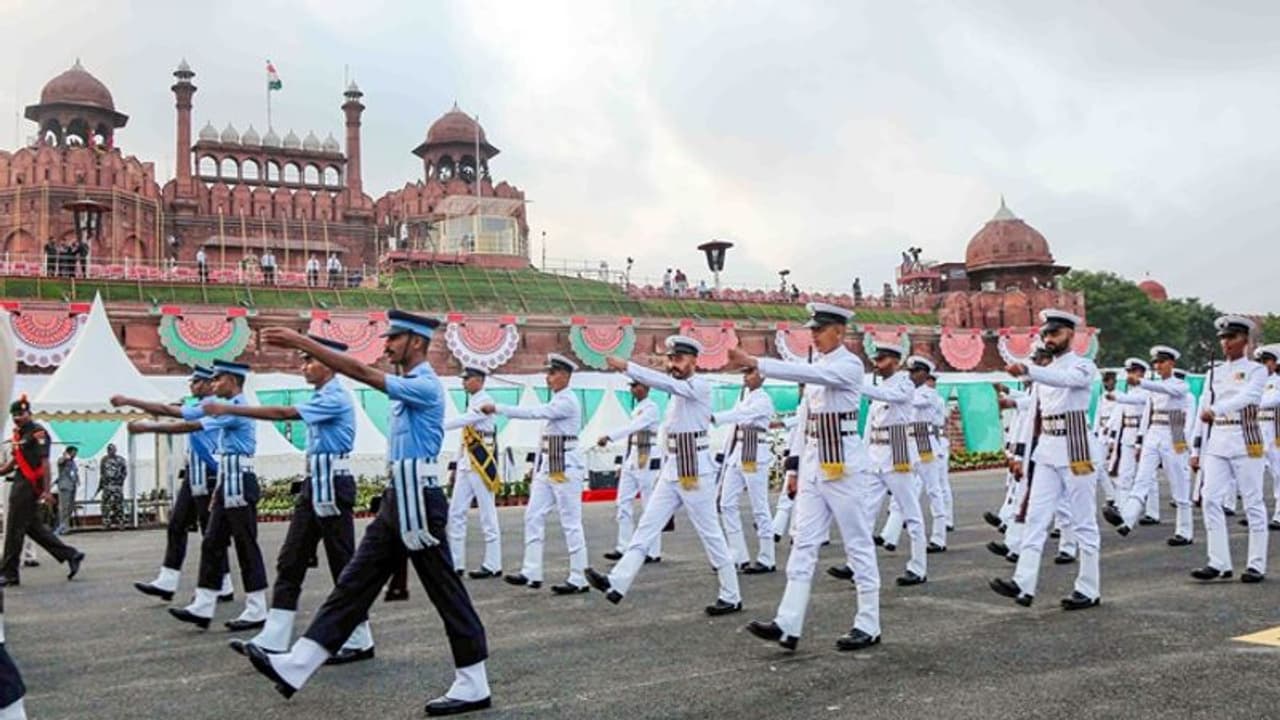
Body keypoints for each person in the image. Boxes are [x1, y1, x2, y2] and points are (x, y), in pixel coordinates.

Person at [244, 313, 491, 717]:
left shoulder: (425, 384)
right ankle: (297, 663)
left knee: (445, 591)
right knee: (354, 583)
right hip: (401, 499)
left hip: (419, 502)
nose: (386, 344)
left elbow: (363, 374)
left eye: (393, 338)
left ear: (415, 341)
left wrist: (304, 343)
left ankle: (473, 680)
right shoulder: (413, 384)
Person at [203, 337, 375, 664]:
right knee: (291, 559)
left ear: (329, 362)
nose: (303, 366)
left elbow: (285, 412)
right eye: (302, 360)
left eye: (309, 360)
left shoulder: (336, 396)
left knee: (343, 564)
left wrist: (229, 407)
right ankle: (274, 635)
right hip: (315, 484)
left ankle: (359, 637)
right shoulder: (322, 395)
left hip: (333, 485)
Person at [731, 303, 882, 652]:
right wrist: (795, 468)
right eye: (812, 329)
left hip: (844, 466)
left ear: (840, 332)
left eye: (820, 328)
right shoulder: (820, 367)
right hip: (816, 465)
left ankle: (868, 623)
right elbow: (805, 424)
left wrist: (757, 362)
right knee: (803, 545)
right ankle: (788, 623)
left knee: (857, 544)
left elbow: (814, 377)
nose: (813, 334)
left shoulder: (848, 365)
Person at [586, 337, 743, 617]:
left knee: (710, 534)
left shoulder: (698, 387)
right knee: (647, 526)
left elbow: (670, 384)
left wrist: (628, 367)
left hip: (695, 472)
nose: (674, 365)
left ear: (695, 361)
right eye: (671, 360)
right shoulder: (675, 399)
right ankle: (617, 582)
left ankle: (731, 595)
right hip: (672, 471)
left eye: (680, 359)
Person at [127, 360, 268, 631]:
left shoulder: (236, 408)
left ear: (233, 381)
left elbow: (190, 427)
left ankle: (257, 607)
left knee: (245, 545)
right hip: (228, 481)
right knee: (212, 542)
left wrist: (148, 428)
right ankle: (203, 605)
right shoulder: (227, 406)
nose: (214, 384)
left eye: (218, 379)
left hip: (239, 481)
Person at [990, 309, 1101, 611]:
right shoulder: (1042, 374)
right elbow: (1032, 420)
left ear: (1071, 335)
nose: (1049, 339)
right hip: (1048, 448)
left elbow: (1065, 380)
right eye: (1046, 334)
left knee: (1083, 521)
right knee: (1036, 518)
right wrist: (1020, 456)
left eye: (1055, 333)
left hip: (1076, 447)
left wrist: (1028, 370)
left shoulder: (1083, 366)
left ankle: (1089, 588)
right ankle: (1023, 584)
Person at [120, 367, 233, 603]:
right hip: (194, 473)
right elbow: (168, 410)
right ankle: (168, 580)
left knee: (210, 533)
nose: (191, 386)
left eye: (195, 382)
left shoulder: (212, 406)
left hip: (209, 473)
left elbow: (176, 419)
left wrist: (141, 417)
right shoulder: (201, 405)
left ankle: (223, 582)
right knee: (177, 525)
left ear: (206, 383)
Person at [486, 354, 589, 594]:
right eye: (548, 373)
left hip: (565, 467)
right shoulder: (556, 400)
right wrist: (537, 467)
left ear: (565, 375)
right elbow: (543, 438)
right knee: (533, 516)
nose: (548, 378)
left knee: (571, 522)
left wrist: (499, 408)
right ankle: (531, 571)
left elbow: (535, 413)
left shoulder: (567, 401)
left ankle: (579, 577)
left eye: (552, 373)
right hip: (548, 465)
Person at [1188, 316, 1268, 584]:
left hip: (1245, 438)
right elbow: (1202, 410)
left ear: (1244, 340)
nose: (1226, 343)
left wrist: (1217, 409)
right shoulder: (1214, 372)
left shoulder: (1256, 370)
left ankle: (1256, 564)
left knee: (1253, 501)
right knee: (1210, 499)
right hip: (1218, 439)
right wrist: (1196, 448)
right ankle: (1218, 562)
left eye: (1231, 337)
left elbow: (1250, 397)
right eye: (1222, 338)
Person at [1103, 346, 1192, 543]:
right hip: (1154, 431)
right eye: (1156, 363)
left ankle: (1185, 531)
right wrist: (1140, 441)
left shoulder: (1179, 385)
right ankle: (1127, 520)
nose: (1158, 366)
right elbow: (1147, 416)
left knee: (1178, 482)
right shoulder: (1152, 388)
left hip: (1174, 430)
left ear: (1172, 363)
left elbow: (1166, 389)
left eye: (1162, 362)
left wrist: (1142, 382)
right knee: (1142, 479)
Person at [860, 345, 929, 587]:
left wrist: (854, 385)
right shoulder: (878, 388)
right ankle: (857, 565)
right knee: (865, 512)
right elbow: (870, 427)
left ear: (896, 361)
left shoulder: (905, 384)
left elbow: (891, 397)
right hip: (876, 455)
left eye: (882, 359)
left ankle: (918, 567)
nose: (876, 363)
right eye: (875, 359)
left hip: (898, 453)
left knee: (910, 513)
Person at [0, 395, 85, 587]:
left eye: (21, 414)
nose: (17, 418)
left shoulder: (38, 433)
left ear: (29, 413)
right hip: (21, 481)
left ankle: (9, 573)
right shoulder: (20, 434)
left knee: (14, 527)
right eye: (14, 415)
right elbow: (16, 460)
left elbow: (45, 463)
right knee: (32, 527)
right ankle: (71, 555)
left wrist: (46, 491)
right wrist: (2, 470)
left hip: (28, 485)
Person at [711, 366, 777, 573]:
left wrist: (717, 417)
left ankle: (767, 557)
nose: (745, 377)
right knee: (726, 503)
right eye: (744, 374)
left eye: (750, 373)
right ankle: (737, 553)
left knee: (760, 507)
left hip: (755, 454)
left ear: (762, 376)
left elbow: (743, 414)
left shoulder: (762, 399)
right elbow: (735, 428)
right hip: (738, 454)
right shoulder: (744, 397)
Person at [444, 367, 504, 579]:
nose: (464, 382)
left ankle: (493, 563)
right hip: (467, 463)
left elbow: (465, 420)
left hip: (482, 461)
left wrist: (438, 426)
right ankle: (456, 563)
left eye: (467, 379)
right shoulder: (472, 401)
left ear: (479, 380)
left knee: (487, 513)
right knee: (456, 512)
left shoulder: (483, 400)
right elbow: (464, 436)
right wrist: (455, 464)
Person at [600, 380, 662, 563]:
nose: (633, 390)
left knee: (649, 505)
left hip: (647, 455)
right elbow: (630, 438)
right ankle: (623, 546)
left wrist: (609, 436)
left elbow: (633, 428)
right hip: (633, 457)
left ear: (647, 387)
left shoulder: (651, 408)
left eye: (637, 386)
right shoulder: (637, 409)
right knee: (622, 502)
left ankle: (652, 550)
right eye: (632, 386)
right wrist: (623, 462)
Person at [1103, 359, 1150, 521]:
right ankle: (1123, 511)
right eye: (1129, 372)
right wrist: (1112, 437)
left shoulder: (1146, 392)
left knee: (1146, 477)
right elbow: (1119, 417)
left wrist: (1116, 396)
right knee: (1125, 475)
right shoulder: (1128, 393)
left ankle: (1152, 512)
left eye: (1133, 372)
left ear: (1142, 373)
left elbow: (1134, 401)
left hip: (1142, 437)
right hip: (1127, 436)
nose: (1130, 375)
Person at [1254, 345, 1280, 529]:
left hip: (1274, 429)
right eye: (1260, 362)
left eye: (1266, 361)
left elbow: (1273, 400)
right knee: (1253, 472)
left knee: (1278, 473)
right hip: (1256, 429)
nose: (1263, 365)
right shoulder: (1253, 382)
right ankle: (1255, 512)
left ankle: (1279, 514)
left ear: (1274, 363)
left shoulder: (1278, 382)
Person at [1093, 371, 1120, 507]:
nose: (1105, 383)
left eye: (1108, 380)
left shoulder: (1120, 396)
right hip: (1102, 434)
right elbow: (1098, 414)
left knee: (1113, 468)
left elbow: (1117, 415)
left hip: (1113, 434)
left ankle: (1118, 497)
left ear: (1114, 381)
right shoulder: (1101, 397)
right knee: (1099, 466)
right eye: (1104, 381)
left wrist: (1110, 432)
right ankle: (1111, 494)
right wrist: (1095, 432)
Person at [98, 444, 128, 530]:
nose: (112, 451)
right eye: (110, 450)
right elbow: (102, 472)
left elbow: (124, 472)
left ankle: (121, 523)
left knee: (119, 505)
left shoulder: (121, 460)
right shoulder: (104, 459)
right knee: (106, 505)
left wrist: (119, 482)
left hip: (117, 486)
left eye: (113, 449)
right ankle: (106, 523)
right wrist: (103, 484)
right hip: (107, 486)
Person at [53, 446, 78, 535]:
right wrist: (65, 456)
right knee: (64, 508)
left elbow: (74, 472)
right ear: (69, 452)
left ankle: (66, 526)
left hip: (72, 486)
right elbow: (61, 462)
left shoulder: (73, 462)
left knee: (69, 508)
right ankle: (62, 527)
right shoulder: (63, 460)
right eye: (74, 452)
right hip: (65, 486)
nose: (75, 454)